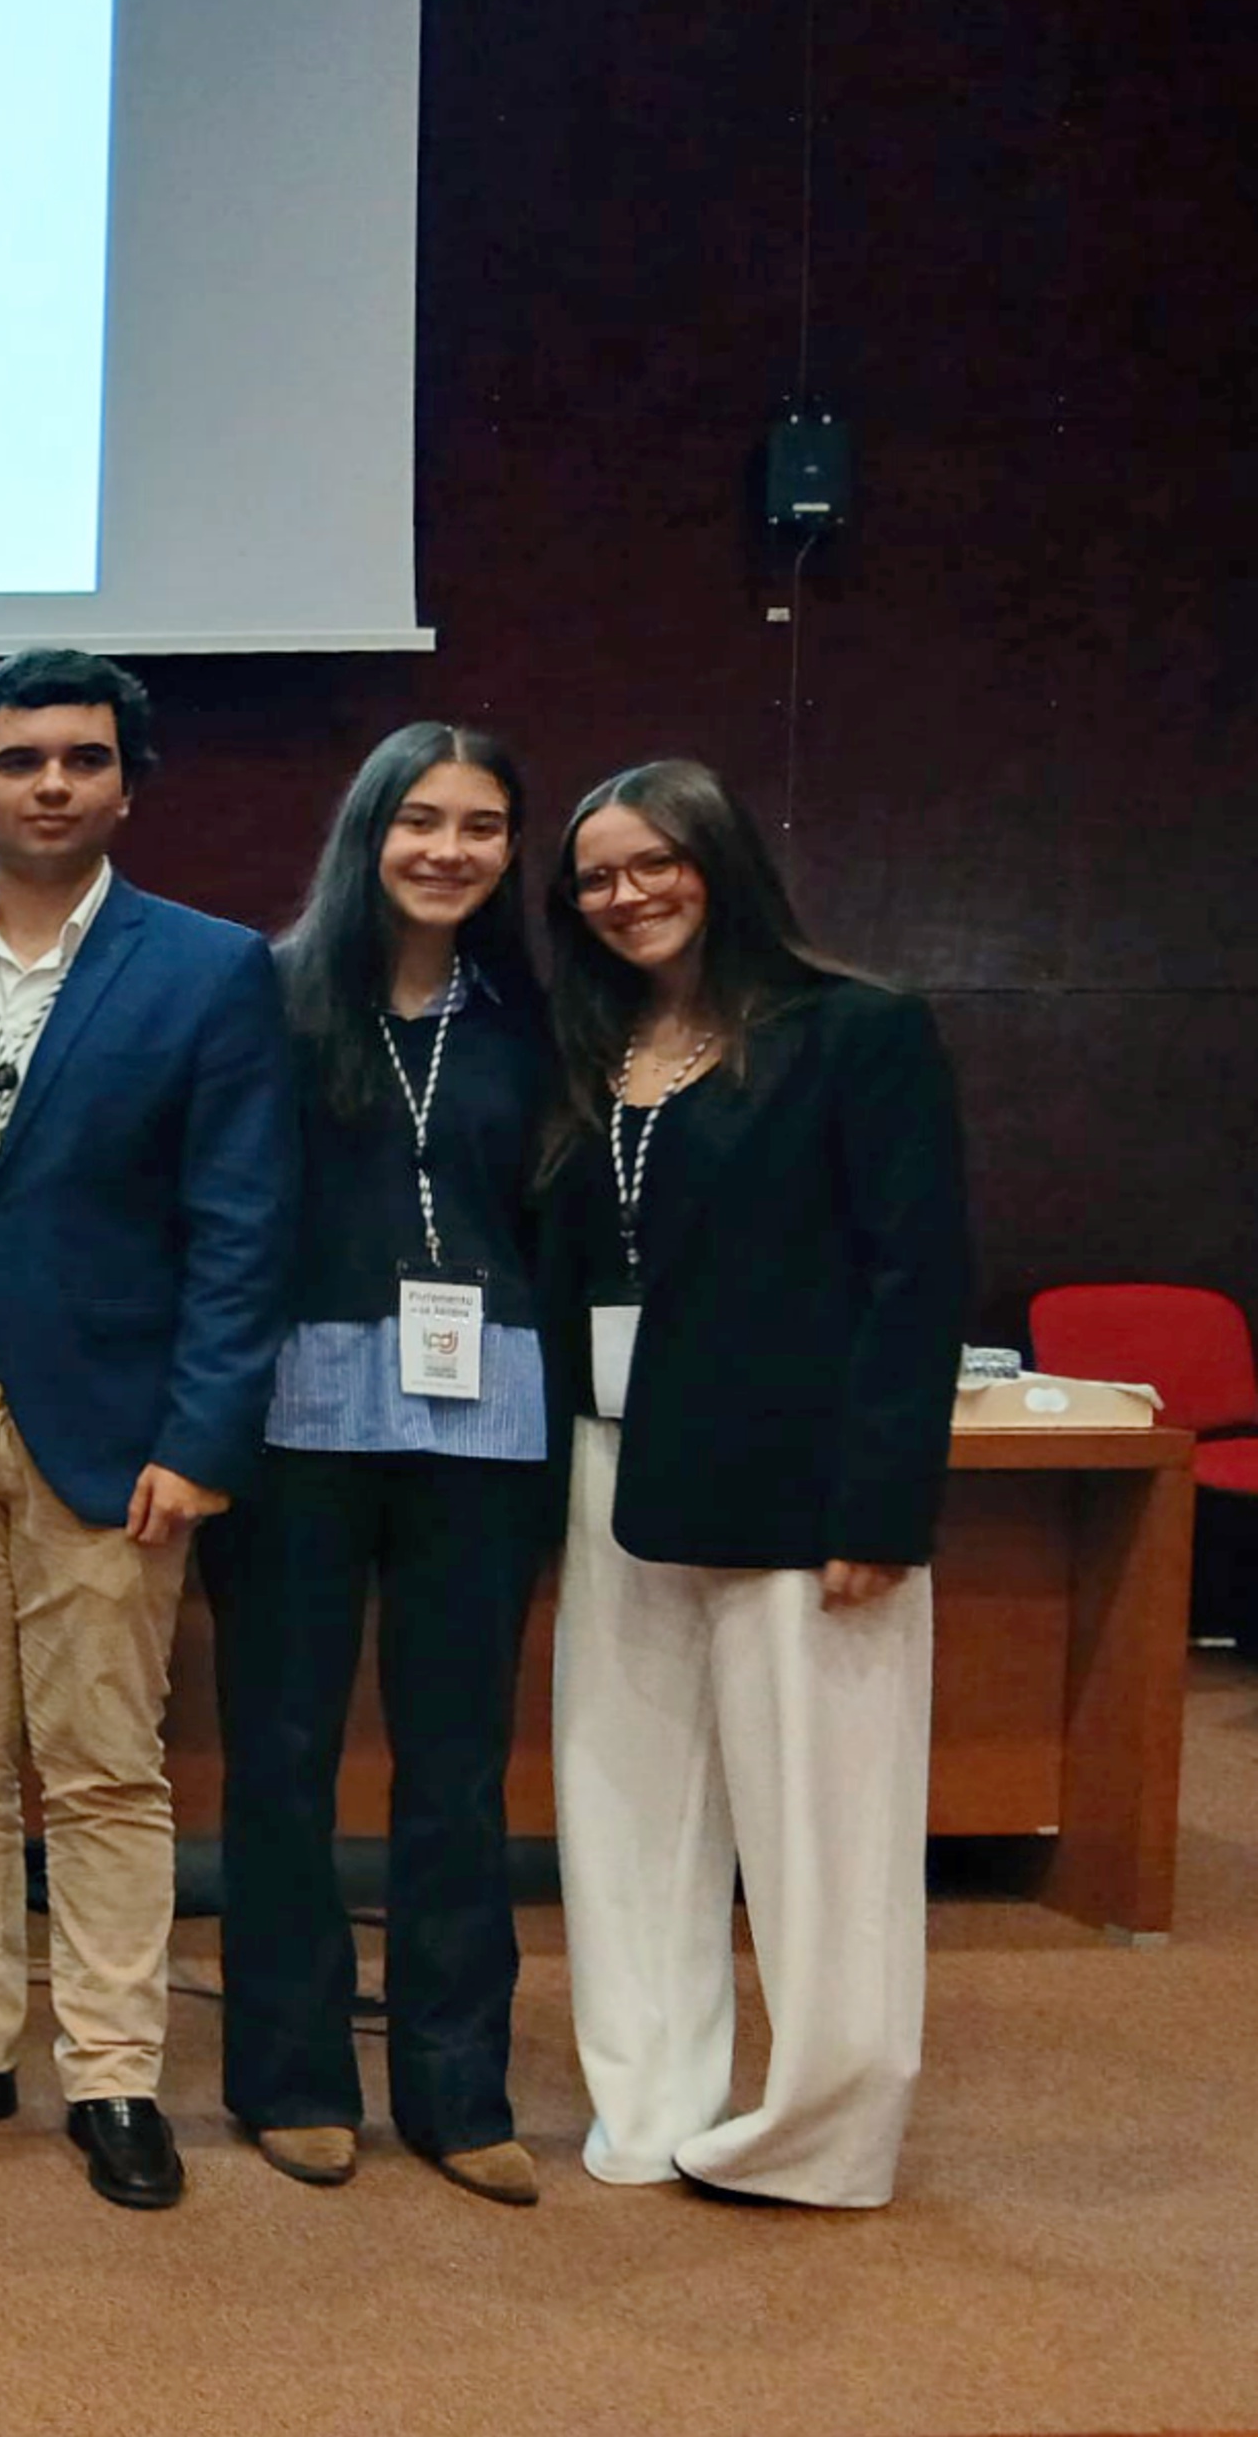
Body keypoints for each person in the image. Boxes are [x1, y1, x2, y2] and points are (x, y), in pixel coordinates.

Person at [0, 649, 296, 2209]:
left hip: (119, 1439)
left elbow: (243, 1227)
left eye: (85, 759)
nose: (53, 781)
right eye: (22, 757)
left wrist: (203, 1438)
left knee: (107, 1769)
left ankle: (113, 2071)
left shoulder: (207, 968)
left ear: (128, 784)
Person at [541, 758, 967, 2209]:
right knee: (626, 1812)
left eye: (655, 861)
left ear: (722, 862)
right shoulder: (593, 1054)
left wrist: (881, 1507)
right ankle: (653, 2103)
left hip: (798, 1494)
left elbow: (916, 1287)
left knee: (822, 1833)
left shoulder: (857, 1032)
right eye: (598, 876)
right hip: (619, 1476)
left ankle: (821, 2132)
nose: (627, 895)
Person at [211, 725, 554, 2205]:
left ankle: (459, 2088)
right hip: (294, 1430)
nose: (450, 850)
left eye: (482, 826)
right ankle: (292, 2076)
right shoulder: (271, 1000)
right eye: (422, 820)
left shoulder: (540, 1018)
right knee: (282, 1764)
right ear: (369, 831)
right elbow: (219, 1220)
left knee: (460, 1772)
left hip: (483, 1432)